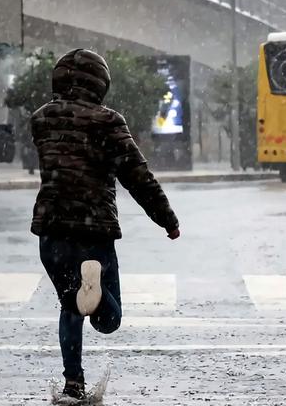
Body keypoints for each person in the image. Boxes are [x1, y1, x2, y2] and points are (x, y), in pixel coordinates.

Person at [30, 49, 180, 400]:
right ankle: (95, 297)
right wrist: (166, 219)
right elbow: (137, 176)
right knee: (107, 321)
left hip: (52, 230)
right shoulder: (108, 121)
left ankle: (73, 383)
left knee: (70, 307)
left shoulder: (41, 119)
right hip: (93, 232)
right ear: (101, 84)